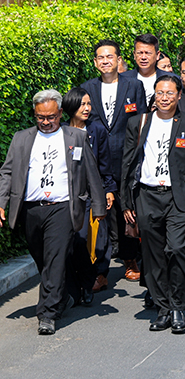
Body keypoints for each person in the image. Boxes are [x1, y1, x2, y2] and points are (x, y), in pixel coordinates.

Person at [0, 90, 106, 335]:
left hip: (62, 208)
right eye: (40, 117)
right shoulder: (21, 138)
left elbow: (91, 172)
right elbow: (7, 172)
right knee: (43, 259)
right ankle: (63, 297)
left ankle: (47, 313)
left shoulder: (76, 137)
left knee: (55, 259)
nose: (46, 122)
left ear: (60, 113)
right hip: (31, 209)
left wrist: (99, 207)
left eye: (50, 117)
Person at [120, 75, 185, 333]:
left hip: (178, 198)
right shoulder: (138, 123)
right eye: (160, 93)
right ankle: (162, 308)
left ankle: (178, 307)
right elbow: (127, 165)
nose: (164, 98)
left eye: (170, 93)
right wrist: (126, 202)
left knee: (178, 250)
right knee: (153, 255)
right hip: (147, 197)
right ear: (154, 95)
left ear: (179, 95)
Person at [80, 40, 147, 282]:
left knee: (126, 210)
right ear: (96, 62)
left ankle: (130, 259)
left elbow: (141, 121)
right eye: (101, 57)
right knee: (101, 214)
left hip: (127, 158)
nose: (106, 61)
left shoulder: (134, 86)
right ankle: (100, 271)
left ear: (118, 60)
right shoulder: (87, 88)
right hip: (98, 160)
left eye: (110, 56)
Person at [61, 88, 116, 304]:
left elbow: (105, 163)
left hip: (90, 195)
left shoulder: (97, 130)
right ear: (70, 107)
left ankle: (90, 280)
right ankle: (77, 283)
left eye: (88, 104)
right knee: (70, 242)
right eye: (82, 104)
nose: (86, 108)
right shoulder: (62, 130)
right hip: (66, 195)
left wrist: (108, 189)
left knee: (86, 240)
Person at [121, 33, 169, 105]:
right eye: (140, 53)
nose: (143, 57)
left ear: (157, 55)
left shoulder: (170, 79)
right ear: (134, 54)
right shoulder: (122, 79)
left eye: (148, 53)